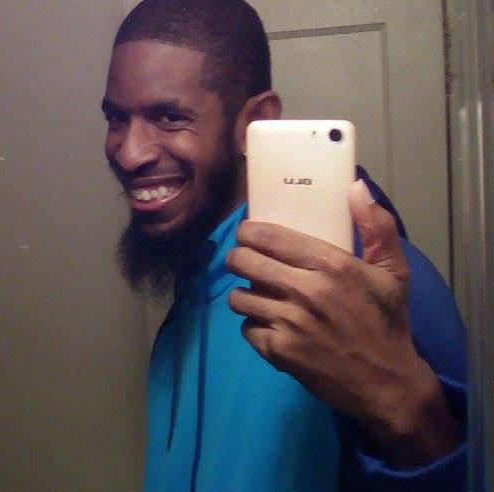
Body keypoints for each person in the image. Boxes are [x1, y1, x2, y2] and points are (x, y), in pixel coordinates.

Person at [101, 0, 468, 490]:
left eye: (169, 117)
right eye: (116, 119)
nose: (128, 153)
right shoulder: (196, 284)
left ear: (258, 120)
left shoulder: (357, 285)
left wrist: (403, 403)